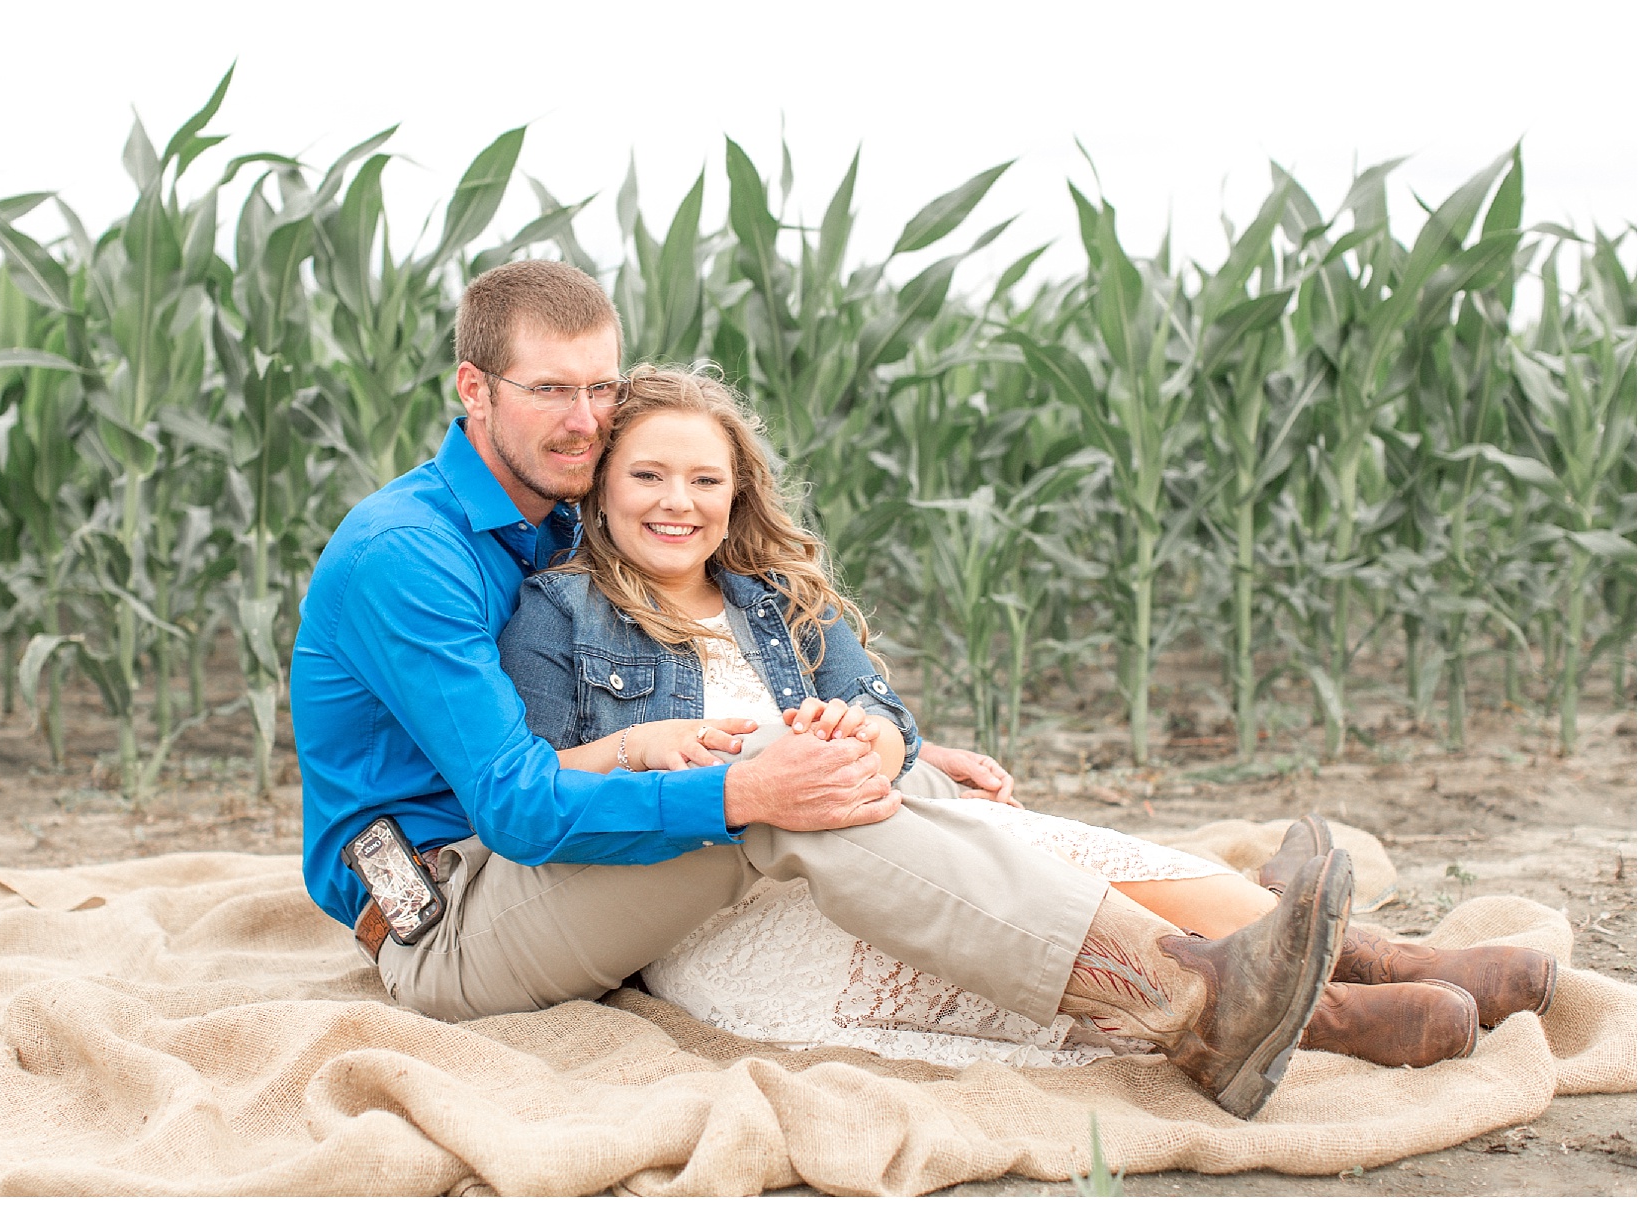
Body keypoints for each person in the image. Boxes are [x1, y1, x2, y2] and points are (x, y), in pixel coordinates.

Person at [292, 260, 1354, 1121]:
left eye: (600, 387)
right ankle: (1187, 1003)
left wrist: (895, 745)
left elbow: (698, 657)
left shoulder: (556, 505)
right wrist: (744, 793)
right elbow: (517, 806)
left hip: (536, 871)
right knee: (775, 794)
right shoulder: (408, 554)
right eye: (549, 389)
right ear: (474, 390)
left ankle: (1320, 955)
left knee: (851, 777)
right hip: (447, 915)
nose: (584, 417)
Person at [495, 365, 1558, 1070]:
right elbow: (542, 781)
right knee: (967, 876)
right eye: (647, 474)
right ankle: (1314, 1015)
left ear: (739, 492)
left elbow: (881, 712)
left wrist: (873, 739)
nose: (676, 500)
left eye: (704, 478)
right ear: (600, 490)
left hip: (880, 839)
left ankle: (1376, 956)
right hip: (717, 906)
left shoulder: (769, 603)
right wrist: (659, 747)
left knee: (1018, 842)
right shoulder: (559, 615)